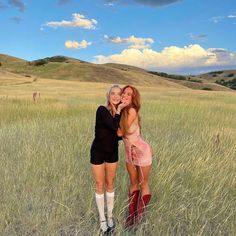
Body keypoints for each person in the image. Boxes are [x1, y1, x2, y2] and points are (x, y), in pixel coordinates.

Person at [90, 85, 128, 234]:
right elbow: (113, 126)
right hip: (98, 153)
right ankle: (102, 219)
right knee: (99, 184)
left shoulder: (121, 115)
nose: (116, 96)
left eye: (119, 94)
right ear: (108, 95)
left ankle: (110, 216)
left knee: (110, 183)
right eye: (113, 93)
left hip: (112, 153)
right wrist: (119, 111)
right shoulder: (102, 110)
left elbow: (120, 135)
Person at [117, 85, 152, 228]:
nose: (125, 95)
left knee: (143, 183)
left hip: (141, 152)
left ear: (133, 98)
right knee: (133, 183)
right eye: (123, 92)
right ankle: (131, 216)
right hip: (129, 154)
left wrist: (118, 110)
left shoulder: (131, 111)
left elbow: (119, 133)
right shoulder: (122, 111)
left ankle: (138, 217)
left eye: (128, 94)